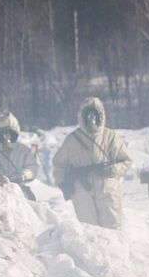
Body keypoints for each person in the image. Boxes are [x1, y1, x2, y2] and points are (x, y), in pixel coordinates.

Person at [52, 97, 132, 228]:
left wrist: (112, 170)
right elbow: (59, 163)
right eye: (88, 115)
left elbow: (126, 160)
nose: (91, 118)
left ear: (101, 115)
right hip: (81, 189)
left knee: (112, 228)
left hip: (108, 188)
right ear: (82, 117)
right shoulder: (72, 140)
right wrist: (63, 183)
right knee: (90, 230)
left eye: (95, 114)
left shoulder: (111, 136)